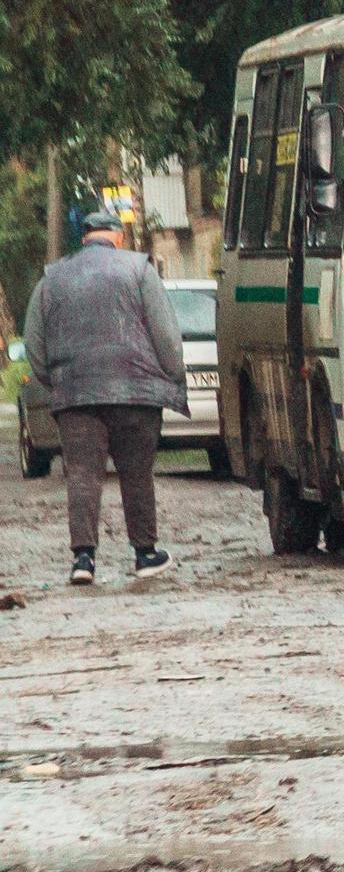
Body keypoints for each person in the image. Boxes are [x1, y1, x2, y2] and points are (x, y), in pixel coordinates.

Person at [23, 205, 186, 586]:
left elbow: (33, 342)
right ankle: (145, 554)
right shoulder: (139, 268)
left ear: (85, 238)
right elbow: (166, 335)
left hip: (76, 394)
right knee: (137, 473)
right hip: (136, 393)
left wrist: (56, 381)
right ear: (119, 237)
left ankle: (83, 560)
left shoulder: (52, 277)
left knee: (82, 475)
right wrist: (173, 376)